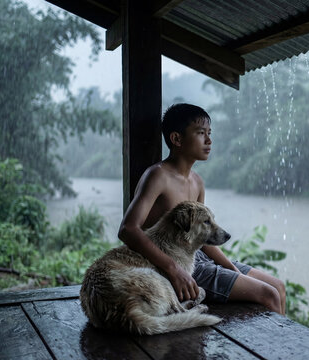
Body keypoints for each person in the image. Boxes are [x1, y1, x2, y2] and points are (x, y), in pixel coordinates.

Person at [117, 103, 286, 314]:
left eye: (209, 133)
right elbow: (128, 229)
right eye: (200, 133)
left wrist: (232, 269)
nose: (209, 140)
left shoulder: (197, 182)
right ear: (176, 139)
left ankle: (274, 347)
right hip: (178, 264)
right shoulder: (158, 176)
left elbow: (203, 238)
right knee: (269, 295)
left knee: (278, 287)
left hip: (199, 258)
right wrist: (174, 269)